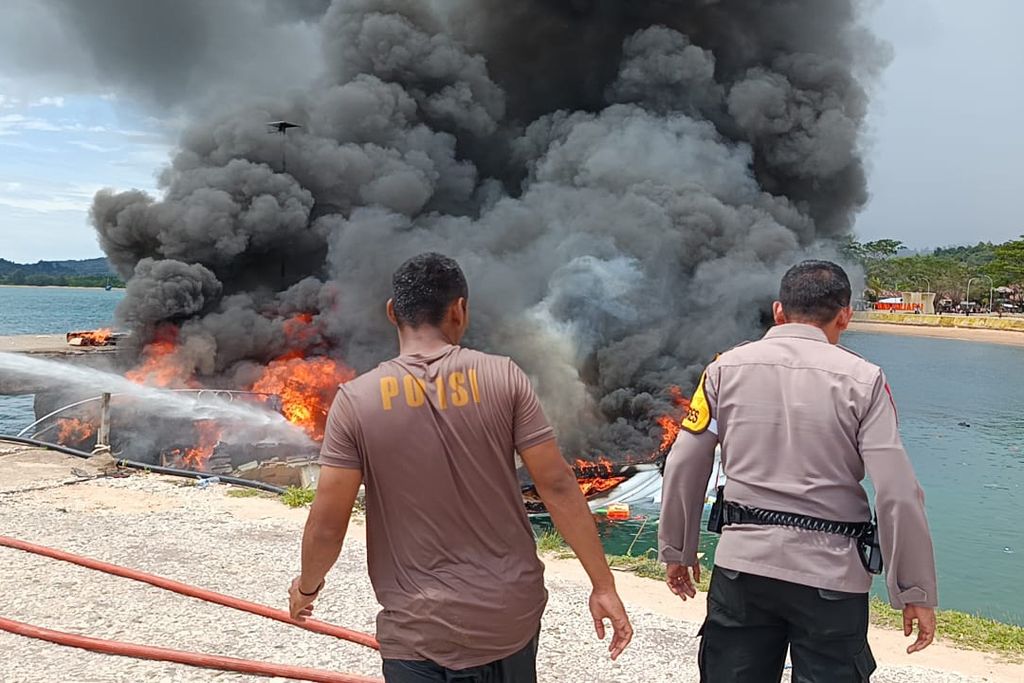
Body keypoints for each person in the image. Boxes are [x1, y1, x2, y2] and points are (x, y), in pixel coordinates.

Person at [288, 252, 632, 682]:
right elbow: (559, 486)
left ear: (393, 312)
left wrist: (307, 588)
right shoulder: (504, 377)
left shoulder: (356, 401)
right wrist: (602, 585)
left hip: (418, 631)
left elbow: (327, 523)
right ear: (460, 309)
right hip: (510, 619)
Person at [659, 260, 938, 682]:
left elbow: (684, 462)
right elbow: (898, 493)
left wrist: (677, 551)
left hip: (742, 570)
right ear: (845, 315)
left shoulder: (723, 370)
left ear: (778, 311)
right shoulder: (864, 380)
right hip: (832, 577)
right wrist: (913, 590)